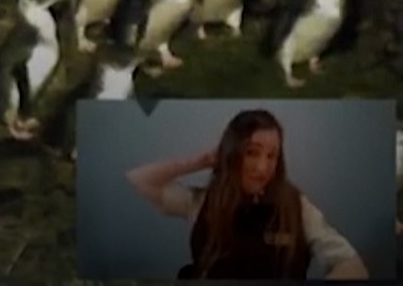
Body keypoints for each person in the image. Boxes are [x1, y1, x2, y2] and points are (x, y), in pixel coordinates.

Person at [125, 109, 370, 280]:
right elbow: (139, 180)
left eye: (271, 155)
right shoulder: (202, 202)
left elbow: (352, 266)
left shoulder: (297, 206)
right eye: (252, 152)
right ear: (234, 153)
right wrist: (200, 161)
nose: (263, 168)